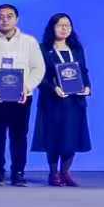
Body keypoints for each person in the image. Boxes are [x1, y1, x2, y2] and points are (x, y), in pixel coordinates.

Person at [0, 2, 46, 187]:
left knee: (19, 135)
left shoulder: (29, 41)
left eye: (9, 16)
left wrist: (27, 87)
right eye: (0, 17)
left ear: (17, 19)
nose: (5, 20)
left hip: (22, 96)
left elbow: (38, 68)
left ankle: (18, 173)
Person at [35, 12, 93, 187]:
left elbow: (83, 71)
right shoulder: (43, 48)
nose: (64, 28)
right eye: (60, 25)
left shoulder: (76, 48)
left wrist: (88, 87)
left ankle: (65, 173)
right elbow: (39, 75)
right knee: (54, 137)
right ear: (52, 28)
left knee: (71, 136)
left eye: (67, 25)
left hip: (74, 101)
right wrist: (54, 88)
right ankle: (53, 174)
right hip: (53, 101)